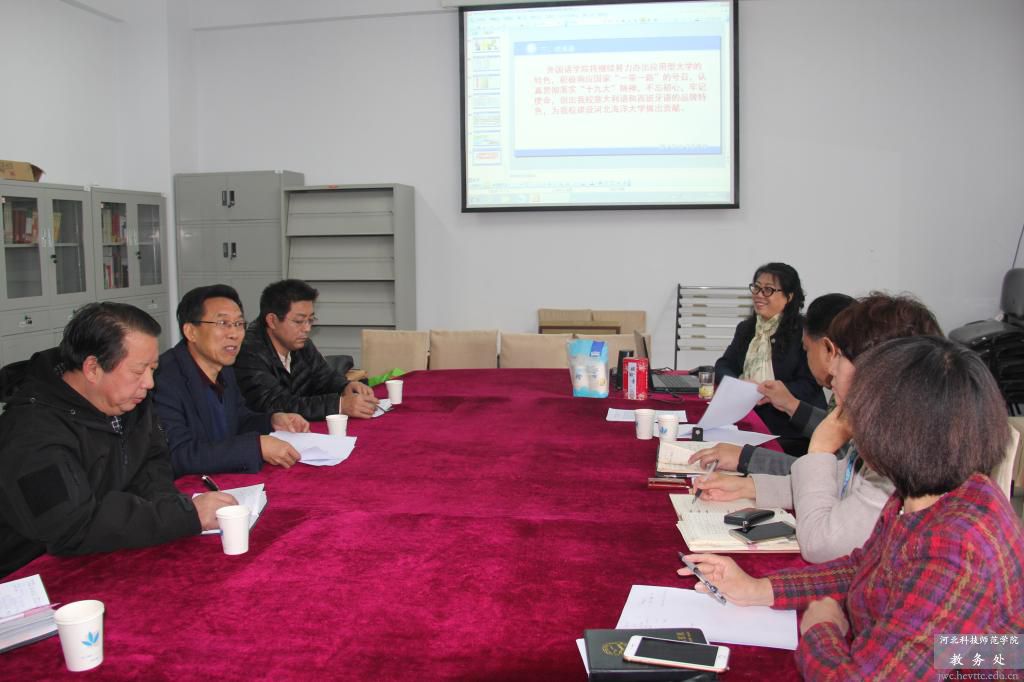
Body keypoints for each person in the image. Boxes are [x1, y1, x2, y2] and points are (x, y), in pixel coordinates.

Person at [679, 336, 1024, 679]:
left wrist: (821, 630)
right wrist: (759, 589)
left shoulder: (955, 549)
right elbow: (865, 566)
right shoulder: (927, 493)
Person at [695, 293, 942, 562]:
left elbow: (819, 544)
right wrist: (749, 487)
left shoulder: (901, 455)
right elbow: (843, 479)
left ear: (875, 370)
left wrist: (820, 450)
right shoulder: (896, 427)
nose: (831, 368)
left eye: (839, 355)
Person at [0, 302, 237, 578]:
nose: (149, 383)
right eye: (138, 371)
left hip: (104, 550)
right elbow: (70, 526)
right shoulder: (30, 432)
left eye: (153, 369)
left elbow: (151, 462)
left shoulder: (127, 400)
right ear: (92, 368)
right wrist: (182, 516)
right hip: (31, 571)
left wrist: (169, 508)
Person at [153, 284, 309, 477]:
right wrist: (256, 447)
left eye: (239, 324)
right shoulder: (164, 379)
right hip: (184, 490)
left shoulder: (224, 368)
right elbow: (179, 455)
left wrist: (272, 421)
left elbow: (238, 421)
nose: (234, 334)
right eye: (223, 323)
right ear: (191, 332)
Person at [690, 293, 854, 475]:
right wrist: (790, 404)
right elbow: (836, 430)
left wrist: (746, 458)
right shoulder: (858, 393)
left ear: (829, 349)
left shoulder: (862, 404)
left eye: (807, 349)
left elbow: (833, 477)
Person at [714, 263, 825, 455]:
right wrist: (739, 384)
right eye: (756, 288)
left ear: (789, 296)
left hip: (791, 429)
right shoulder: (746, 329)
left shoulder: (803, 332)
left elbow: (810, 384)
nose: (759, 295)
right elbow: (723, 365)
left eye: (768, 290)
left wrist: (769, 391)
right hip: (748, 418)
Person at [234, 279, 378, 421]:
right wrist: (339, 405)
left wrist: (345, 387)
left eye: (310, 320)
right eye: (299, 321)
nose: (307, 328)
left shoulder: (300, 344)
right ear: (272, 320)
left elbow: (325, 378)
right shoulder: (248, 352)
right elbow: (275, 404)